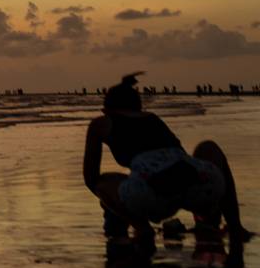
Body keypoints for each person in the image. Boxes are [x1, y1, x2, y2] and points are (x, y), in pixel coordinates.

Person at [84, 73, 250, 248]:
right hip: (198, 183)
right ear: (139, 107)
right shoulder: (153, 119)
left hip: (153, 193)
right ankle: (234, 225)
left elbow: (90, 178)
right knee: (208, 147)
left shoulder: (101, 124)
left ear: (106, 110)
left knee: (100, 183)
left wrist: (118, 204)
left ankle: (142, 228)